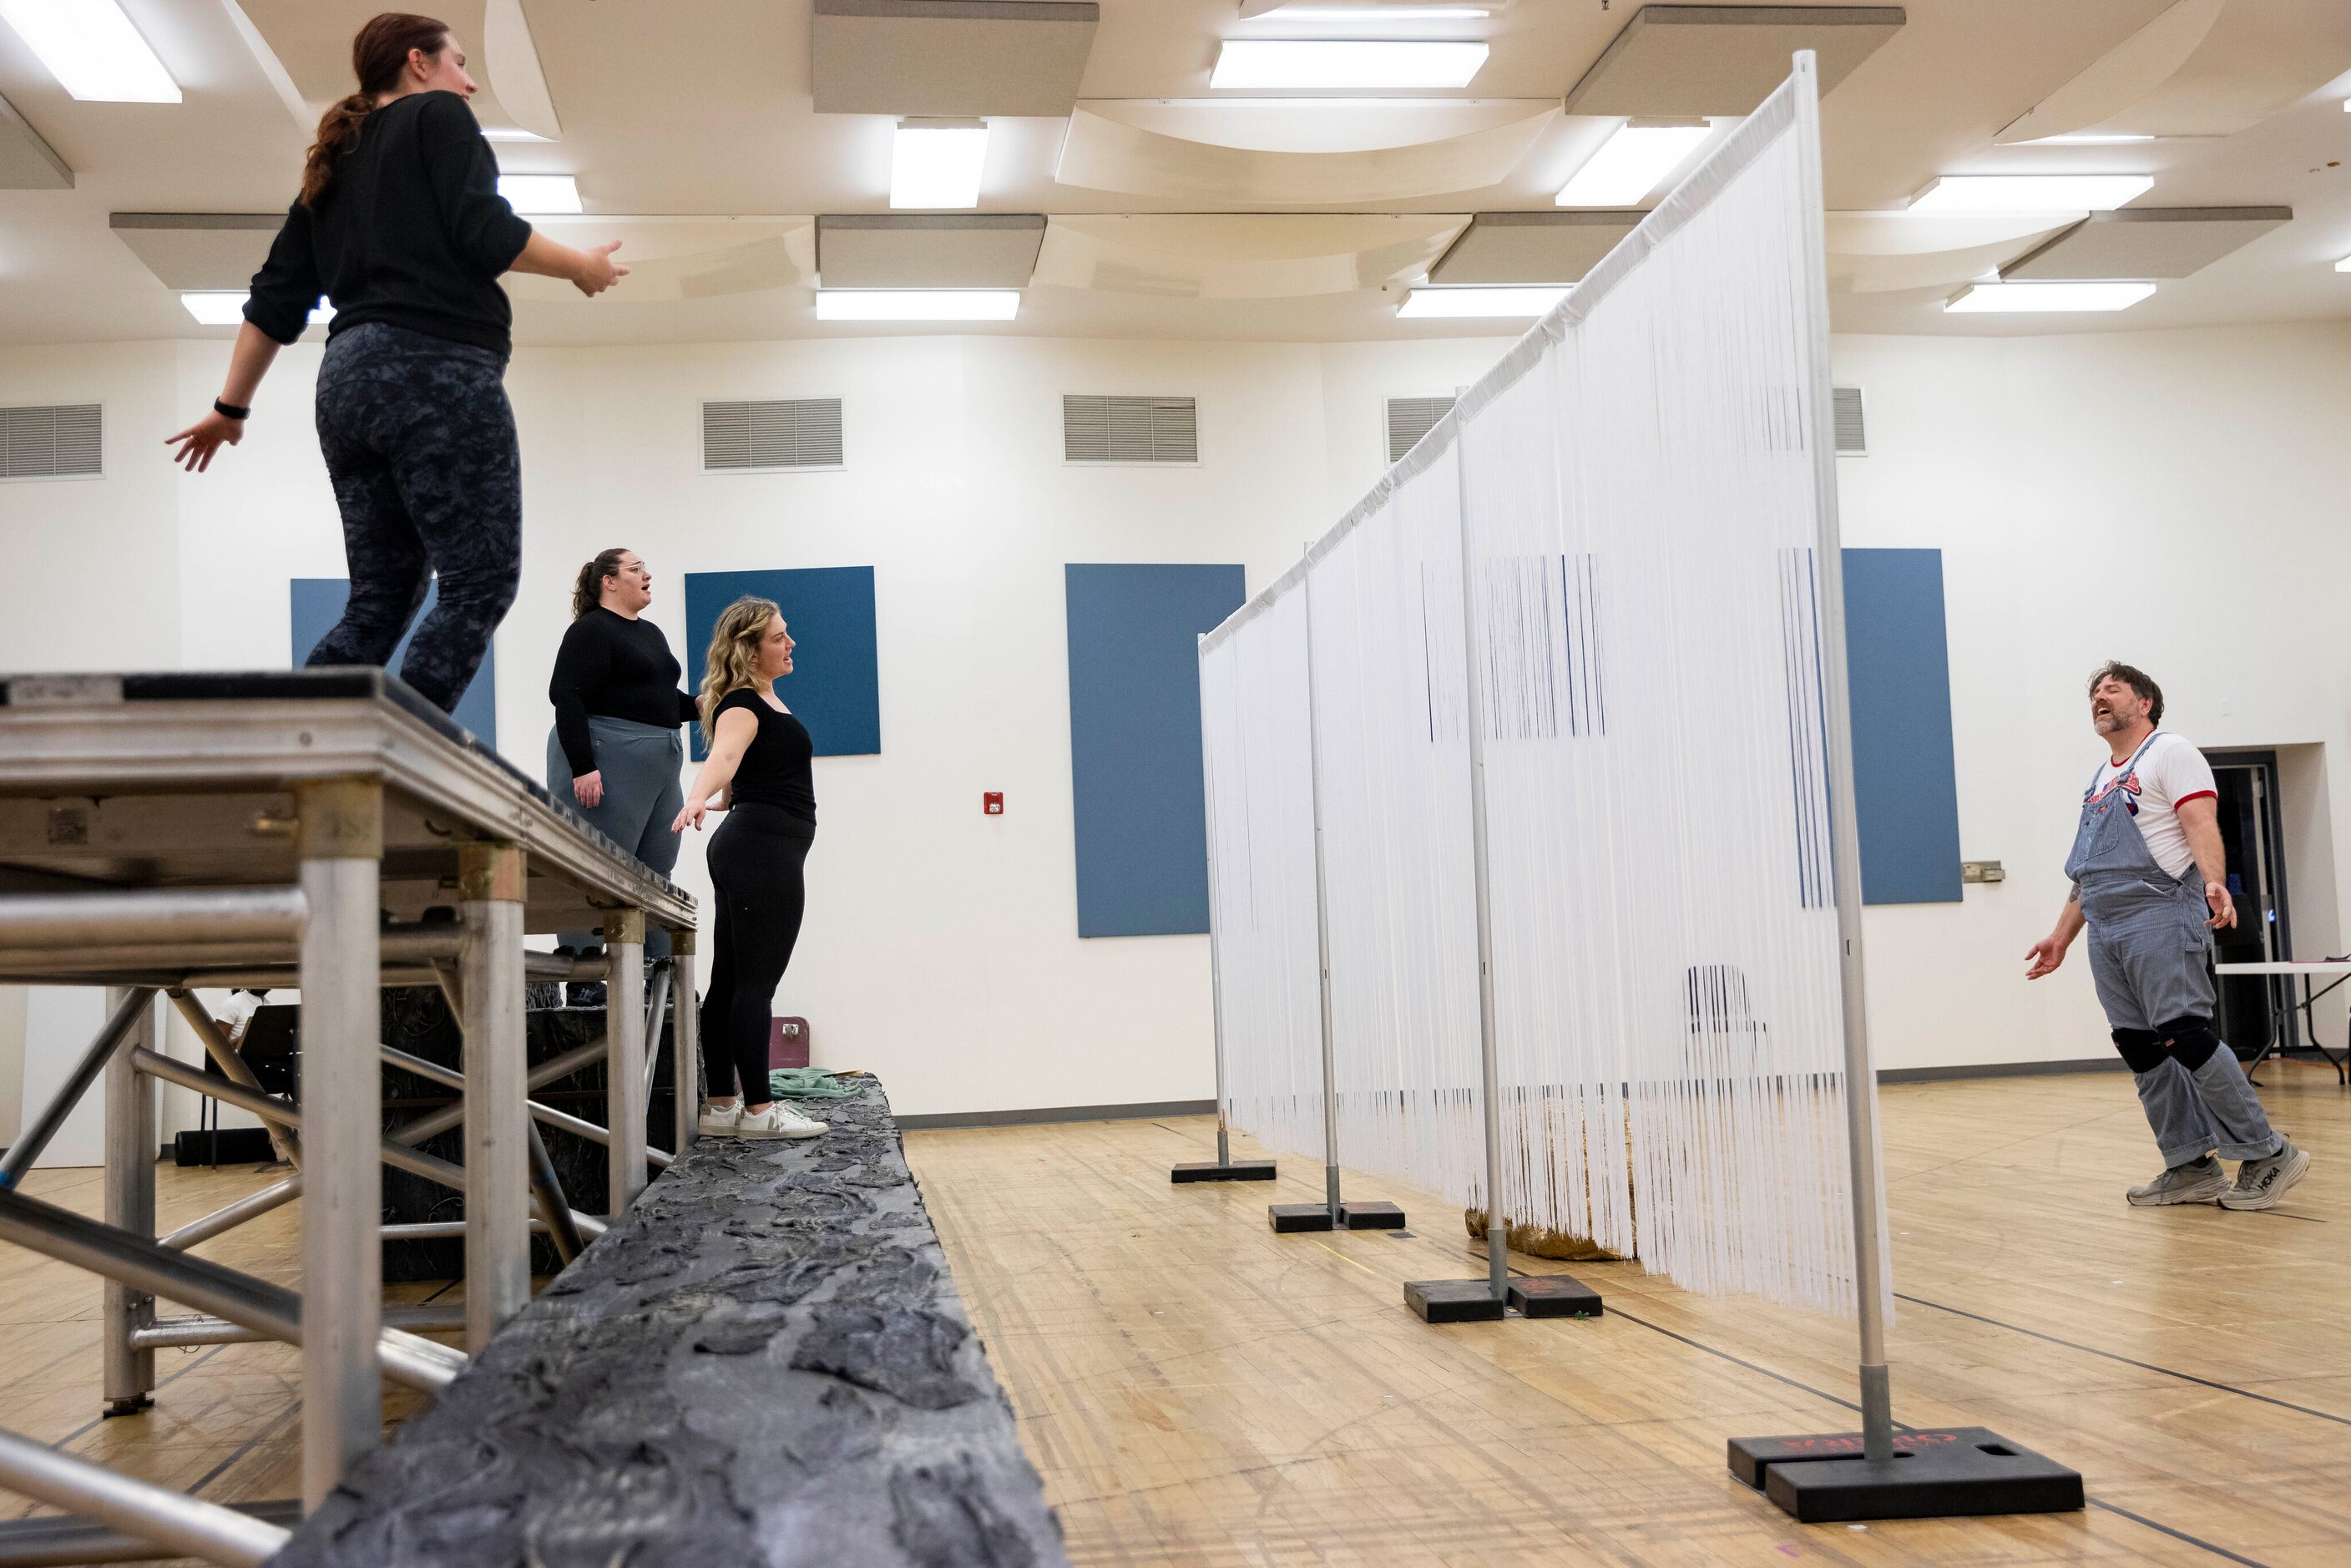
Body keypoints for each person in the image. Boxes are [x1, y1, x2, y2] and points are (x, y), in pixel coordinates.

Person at [164, 13, 627, 717]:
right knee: (480, 583)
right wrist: (579, 267)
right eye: (461, 64)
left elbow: (273, 301)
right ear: (418, 62)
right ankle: (406, 750)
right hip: (433, 373)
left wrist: (230, 409)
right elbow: (485, 231)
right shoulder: (435, 116)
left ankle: (305, 740)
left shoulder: (332, 166)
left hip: (347, 385)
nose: (469, 84)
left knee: (380, 601)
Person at [2025, 662, 2308, 1210]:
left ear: (2146, 703)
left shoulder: (2171, 752)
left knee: (2184, 1032)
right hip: (2104, 926)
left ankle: (2268, 1151)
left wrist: (2214, 883)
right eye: (2094, 694)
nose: (2099, 699)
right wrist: (2061, 937)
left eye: (2112, 689)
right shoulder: (2101, 777)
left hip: (2159, 911)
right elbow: (2090, 869)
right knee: (2139, 1043)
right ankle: (2190, 1165)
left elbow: (2200, 822)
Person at [673, 598, 827, 1141]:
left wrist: (723, 800)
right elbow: (724, 757)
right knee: (755, 985)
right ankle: (760, 1112)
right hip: (762, 848)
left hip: (751, 842)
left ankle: (719, 1107)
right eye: (779, 637)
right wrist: (697, 795)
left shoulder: (758, 700)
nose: (790, 644)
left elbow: (746, 766)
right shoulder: (741, 702)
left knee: (732, 981)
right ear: (750, 648)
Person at [548, 549, 695, 966]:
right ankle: (583, 978)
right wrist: (583, 766)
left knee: (656, 869)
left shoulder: (650, 633)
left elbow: (660, 698)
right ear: (609, 582)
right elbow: (568, 696)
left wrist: (700, 705)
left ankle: (658, 975)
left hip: (661, 764)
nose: (647, 574)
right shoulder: (590, 631)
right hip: (606, 762)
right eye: (636, 568)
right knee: (594, 870)